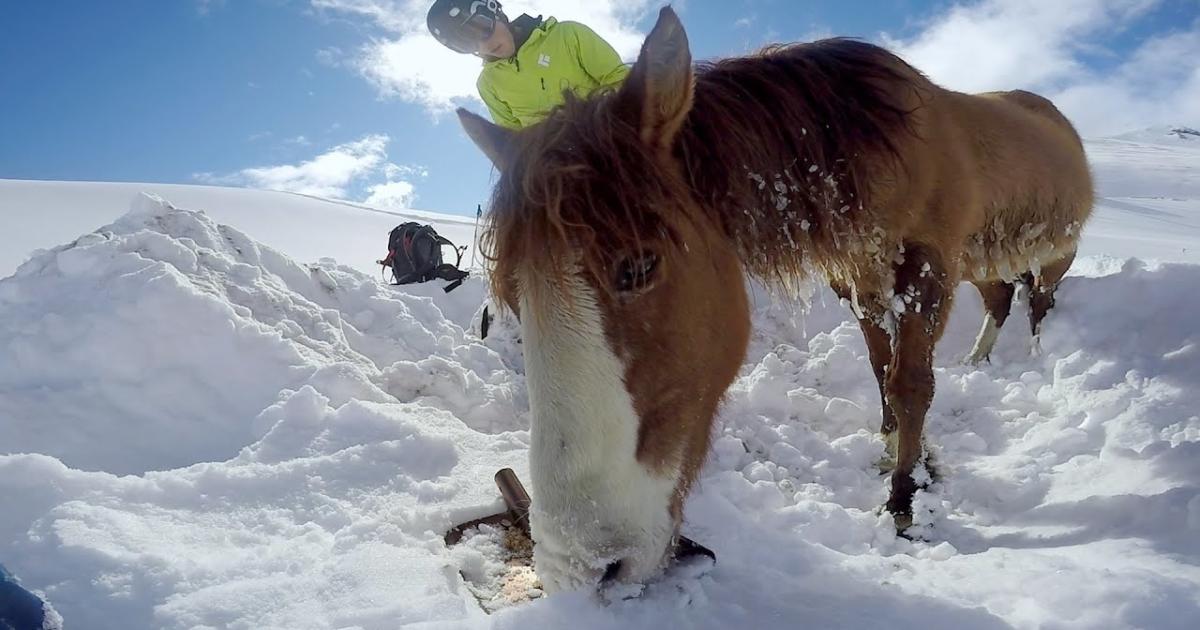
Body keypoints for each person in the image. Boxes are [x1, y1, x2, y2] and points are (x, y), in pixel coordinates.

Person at [427, 0, 629, 129]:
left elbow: (619, 78)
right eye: (467, 44)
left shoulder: (567, 35)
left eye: (481, 28)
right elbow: (512, 141)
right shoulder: (489, 84)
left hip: (611, 135)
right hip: (557, 170)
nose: (484, 45)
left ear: (494, 11)